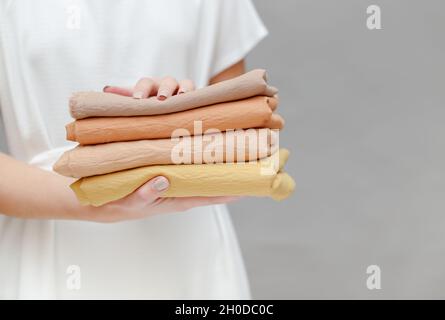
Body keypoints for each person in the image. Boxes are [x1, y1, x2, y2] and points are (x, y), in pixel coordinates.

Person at [0, 0, 268, 299]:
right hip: (47, 237)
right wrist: (92, 197)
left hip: (186, 246)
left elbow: (244, 147)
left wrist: (181, 114)